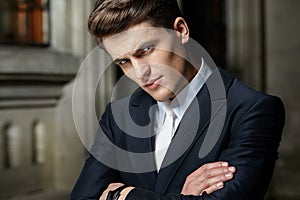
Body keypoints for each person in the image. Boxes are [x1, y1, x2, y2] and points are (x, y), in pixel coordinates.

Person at [71, 0, 285, 199]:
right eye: (124, 61)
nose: (140, 72)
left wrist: (120, 195)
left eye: (146, 50)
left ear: (180, 30)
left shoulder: (253, 109)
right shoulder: (117, 115)